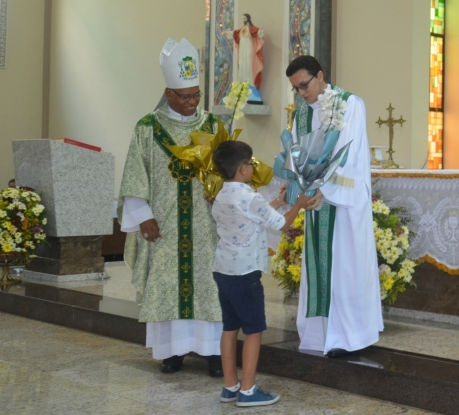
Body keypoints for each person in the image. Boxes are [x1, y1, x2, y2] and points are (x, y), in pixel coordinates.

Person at [118, 37, 226, 376]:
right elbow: (135, 173)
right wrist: (143, 217)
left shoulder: (212, 126)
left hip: (207, 225)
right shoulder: (147, 128)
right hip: (164, 224)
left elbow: (231, 171)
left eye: (196, 95)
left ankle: (213, 353)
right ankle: (172, 352)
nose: (192, 102)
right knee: (167, 284)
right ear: (169, 94)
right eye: (185, 96)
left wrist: (218, 189)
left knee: (209, 284)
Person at [286, 55, 383, 356]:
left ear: (320, 75)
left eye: (304, 85)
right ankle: (319, 335)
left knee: (345, 266)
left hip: (342, 206)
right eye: (296, 89)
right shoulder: (300, 113)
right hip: (315, 204)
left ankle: (351, 336)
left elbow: (350, 156)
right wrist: (298, 183)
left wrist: (325, 191)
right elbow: (294, 151)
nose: (302, 94)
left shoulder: (349, 104)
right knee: (319, 265)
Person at [211, 140, 318, 407]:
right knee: (254, 330)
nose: (252, 167)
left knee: (229, 327)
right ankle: (248, 391)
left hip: (224, 271)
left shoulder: (222, 195)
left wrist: (280, 201)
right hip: (246, 273)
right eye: (251, 163)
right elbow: (281, 224)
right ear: (243, 168)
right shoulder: (250, 197)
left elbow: (254, 215)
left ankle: (230, 386)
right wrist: (299, 205)